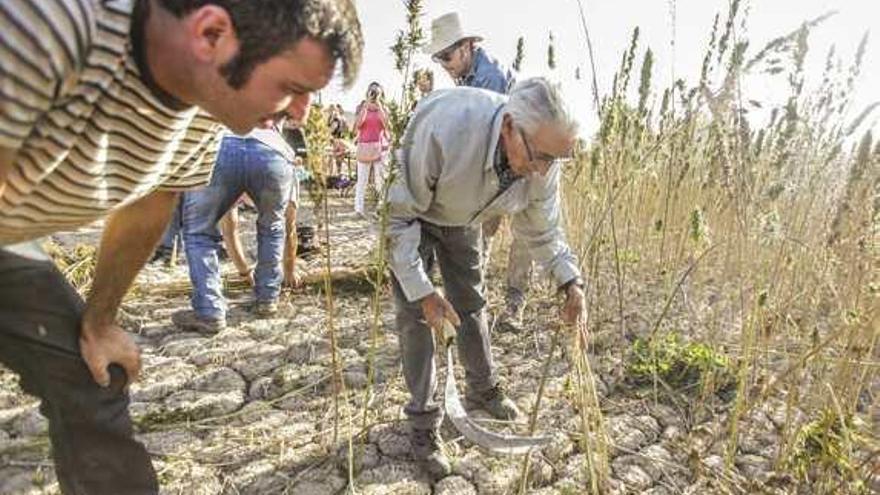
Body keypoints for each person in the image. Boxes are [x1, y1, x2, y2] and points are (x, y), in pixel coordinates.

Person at [0, 0, 362, 493]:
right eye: (293, 90)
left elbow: (152, 201)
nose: (301, 114)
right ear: (211, 34)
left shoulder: (205, 100)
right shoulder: (49, 29)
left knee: (94, 374)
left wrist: (99, 321)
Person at [386, 78, 587, 478]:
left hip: (463, 217)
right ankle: (424, 422)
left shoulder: (542, 157)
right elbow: (397, 219)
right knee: (416, 315)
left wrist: (570, 282)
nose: (543, 170)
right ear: (510, 126)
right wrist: (424, 293)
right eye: (540, 156)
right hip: (414, 212)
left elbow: (543, 231)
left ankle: (484, 386)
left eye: (555, 160)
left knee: (471, 302)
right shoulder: (447, 126)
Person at [426, 12, 532, 332]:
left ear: (467, 46)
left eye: (447, 56)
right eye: (439, 59)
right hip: (495, 163)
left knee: (523, 234)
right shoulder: (465, 77)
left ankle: (514, 304)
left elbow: (485, 139)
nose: (444, 65)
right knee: (481, 230)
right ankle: (474, 301)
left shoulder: (490, 78)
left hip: (521, 161)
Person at [172, 122, 300, 333]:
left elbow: (229, 226)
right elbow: (288, 224)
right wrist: (246, 272)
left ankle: (209, 311)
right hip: (273, 152)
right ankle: (267, 298)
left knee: (198, 232)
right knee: (273, 227)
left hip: (222, 146)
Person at [353, 82, 390, 217]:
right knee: (362, 180)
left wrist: (379, 107)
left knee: (380, 181)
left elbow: (387, 125)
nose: (374, 94)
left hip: (380, 148)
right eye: (372, 91)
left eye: (376, 92)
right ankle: (358, 209)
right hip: (364, 147)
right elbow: (358, 125)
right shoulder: (362, 107)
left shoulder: (384, 108)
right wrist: (366, 106)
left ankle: (380, 209)